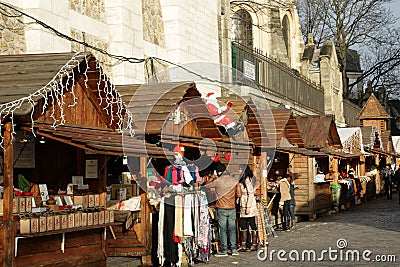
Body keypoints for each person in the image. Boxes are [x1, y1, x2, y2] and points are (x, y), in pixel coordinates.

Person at [207, 163, 242, 257]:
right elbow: (239, 194)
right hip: (232, 207)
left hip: (221, 208)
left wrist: (213, 177)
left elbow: (206, 186)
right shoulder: (234, 180)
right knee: (232, 229)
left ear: (218, 172)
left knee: (222, 230)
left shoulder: (218, 181)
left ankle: (224, 250)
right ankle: (234, 249)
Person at [237, 165, 258, 252]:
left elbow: (251, 194)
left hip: (248, 205)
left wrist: (248, 207)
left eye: (239, 169)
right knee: (243, 224)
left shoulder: (247, 180)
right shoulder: (242, 180)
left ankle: (254, 243)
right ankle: (244, 244)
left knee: (252, 223)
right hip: (243, 204)